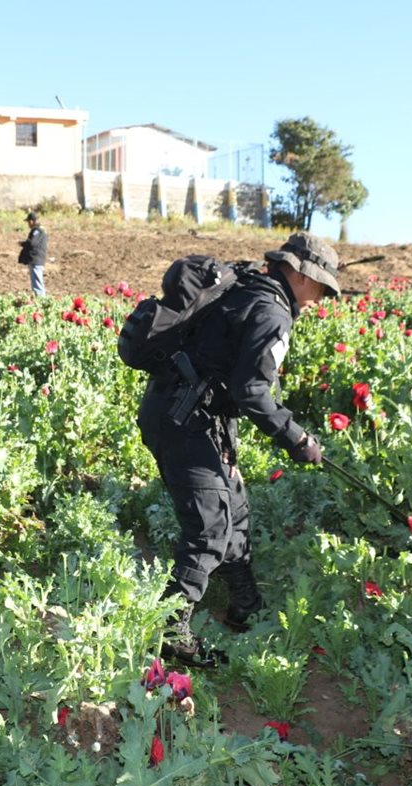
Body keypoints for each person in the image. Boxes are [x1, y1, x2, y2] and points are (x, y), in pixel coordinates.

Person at [137, 232, 333, 667]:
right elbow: (252, 391)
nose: (319, 297)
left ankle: (244, 603)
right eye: (320, 286)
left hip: (178, 408)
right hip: (186, 420)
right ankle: (171, 630)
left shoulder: (247, 284)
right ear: (299, 274)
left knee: (234, 507)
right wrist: (297, 439)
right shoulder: (270, 311)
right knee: (208, 528)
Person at [18, 211, 48, 296]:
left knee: (37, 285)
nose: (28, 224)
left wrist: (23, 243)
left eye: (28, 222)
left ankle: (41, 302)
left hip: (35, 260)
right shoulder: (40, 230)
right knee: (37, 283)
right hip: (37, 260)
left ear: (32, 221)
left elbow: (32, 243)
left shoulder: (37, 231)